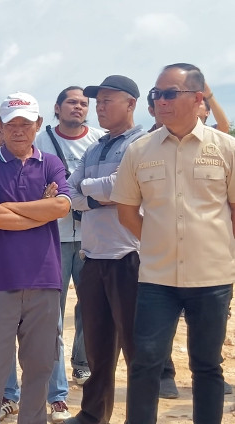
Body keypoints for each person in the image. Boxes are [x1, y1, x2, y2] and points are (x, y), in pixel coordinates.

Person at [112, 63, 235, 424]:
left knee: (207, 365)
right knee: (145, 363)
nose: (160, 101)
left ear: (198, 99)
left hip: (212, 278)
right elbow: (126, 210)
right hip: (157, 279)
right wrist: (155, 242)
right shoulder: (140, 150)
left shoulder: (226, 148)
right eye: (156, 94)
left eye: (169, 94)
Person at [0, 92, 71, 424]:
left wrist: (4, 208)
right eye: (11, 124)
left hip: (44, 280)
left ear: (38, 125)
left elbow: (62, 206)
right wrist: (39, 213)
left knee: (39, 371)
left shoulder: (51, 164)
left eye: (26, 124)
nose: (18, 131)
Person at [62, 75, 145, 424]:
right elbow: (69, 193)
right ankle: (93, 413)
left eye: (108, 100)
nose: (100, 107)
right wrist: (97, 194)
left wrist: (88, 190)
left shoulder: (144, 143)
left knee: (136, 348)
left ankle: (140, 416)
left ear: (131, 104)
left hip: (129, 256)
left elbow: (123, 187)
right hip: (93, 257)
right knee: (97, 347)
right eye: (98, 101)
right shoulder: (96, 146)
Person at [34, 86, 103, 387]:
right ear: (57, 108)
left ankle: (82, 362)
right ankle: (53, 373)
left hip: (93, 236)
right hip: (53, 236)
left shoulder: (100, 140)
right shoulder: (41, 142)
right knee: (53, 308)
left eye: (83, 104)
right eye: (72, 102)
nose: (78, 107)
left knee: (91, 304)